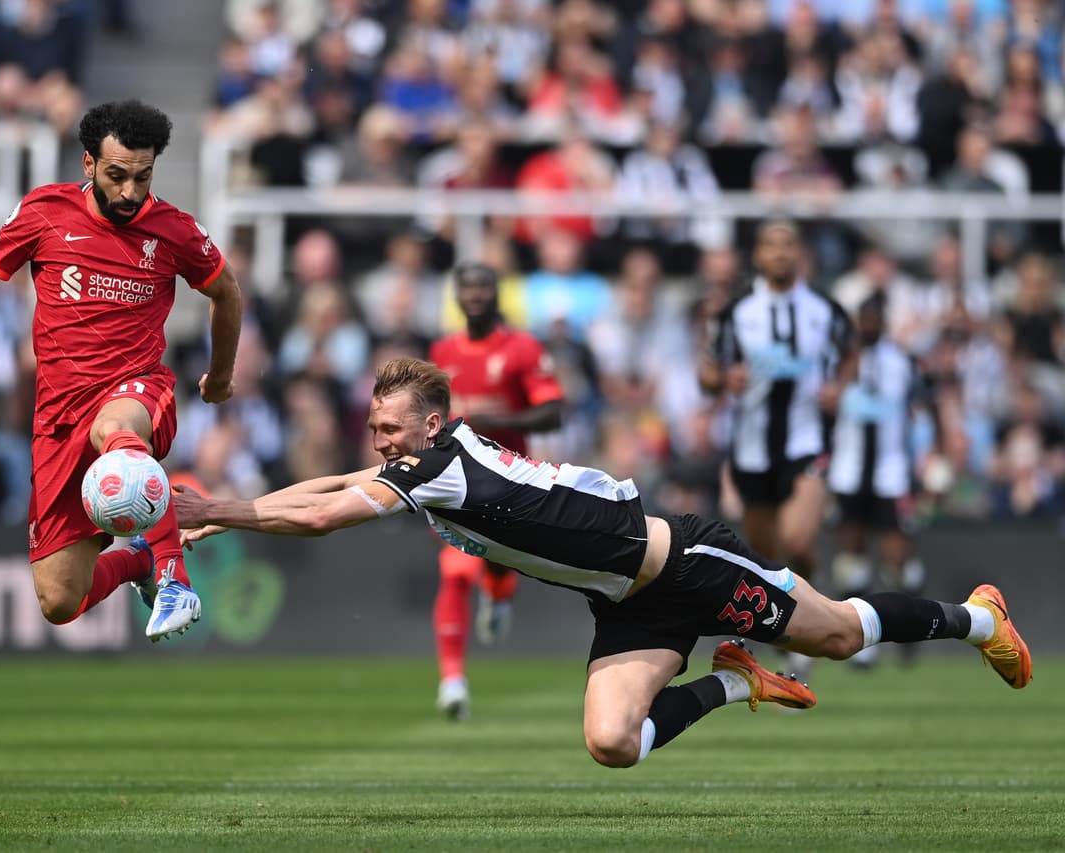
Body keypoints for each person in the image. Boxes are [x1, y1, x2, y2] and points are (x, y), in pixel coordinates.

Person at [174, 357, 1030, 769]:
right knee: (612, 742)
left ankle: (979, 617)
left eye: (389, 427)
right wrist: (233, 506)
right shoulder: (431, 461)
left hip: (688, 563)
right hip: (630, 604)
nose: (378, 440)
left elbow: (323, 516)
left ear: (430, 425)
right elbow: (333, 484)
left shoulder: (437, 467)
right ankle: (736, 681)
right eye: (373, 427)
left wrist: (215, 509)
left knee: (838, 635)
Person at [0, 100, 242, 642]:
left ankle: (175, 579)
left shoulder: (175, 230)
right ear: (89, 163)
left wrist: (221, 374)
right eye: (117, 175)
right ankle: (139, 561)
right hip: (59, 419)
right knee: (60, 600)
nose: (130, 192)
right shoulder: (45, 212)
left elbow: (226, 292)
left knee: (115, 431)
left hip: (136, 390)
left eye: (143, 176)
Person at [698, 219, 855, 679]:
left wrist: (838, 386)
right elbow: (708, 373)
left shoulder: (825, 310)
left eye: (789, 245)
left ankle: (814, 610)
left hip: (806, 441)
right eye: (772, 245)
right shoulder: (736, 313)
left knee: (798, 540)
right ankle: (796, 638)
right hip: (752, 449)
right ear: (758, 256)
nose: (781, 254)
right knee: (767, 560)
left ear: (800, 254)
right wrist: (723, 380)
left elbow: (851, 352)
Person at [427, 262, 564, 720]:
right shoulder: (441, 352)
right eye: (467, 287)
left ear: (496, 294)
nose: (475, 295)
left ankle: (501, 592)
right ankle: (452, 681)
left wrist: (494, 422)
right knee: (454, 572)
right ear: (457, 296)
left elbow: (554, 412)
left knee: (498, 564)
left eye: (483, 287)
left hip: (509, 480)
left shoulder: (522, 348)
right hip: (453, 481)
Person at [826, 294, 925, 667]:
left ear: (883, 321)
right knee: (852, 558)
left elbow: (922, 408)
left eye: (873, 319)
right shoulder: (840, 363)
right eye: (863, 319)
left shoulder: (902, 362)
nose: (868, 325)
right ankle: (862, 643)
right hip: (849, 471)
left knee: (896, 559)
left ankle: (912, 620)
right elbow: (825, 405)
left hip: (890, 472)